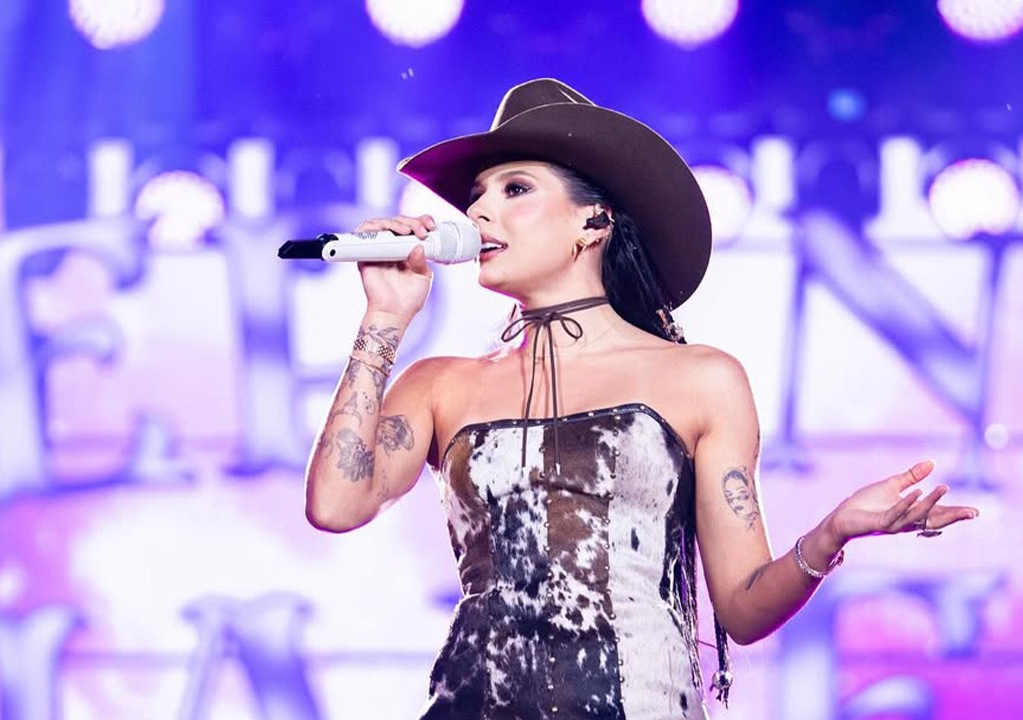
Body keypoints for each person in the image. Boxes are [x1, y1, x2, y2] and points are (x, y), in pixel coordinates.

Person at [303, 78, 979, 720]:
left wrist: (830, 535)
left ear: (593, 223)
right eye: (477, 196)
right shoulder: (441, 384)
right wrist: (384, 318)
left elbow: (743, 610)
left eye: (515, 189)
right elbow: (335, 505)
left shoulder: (699, 379)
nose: (479, 212)